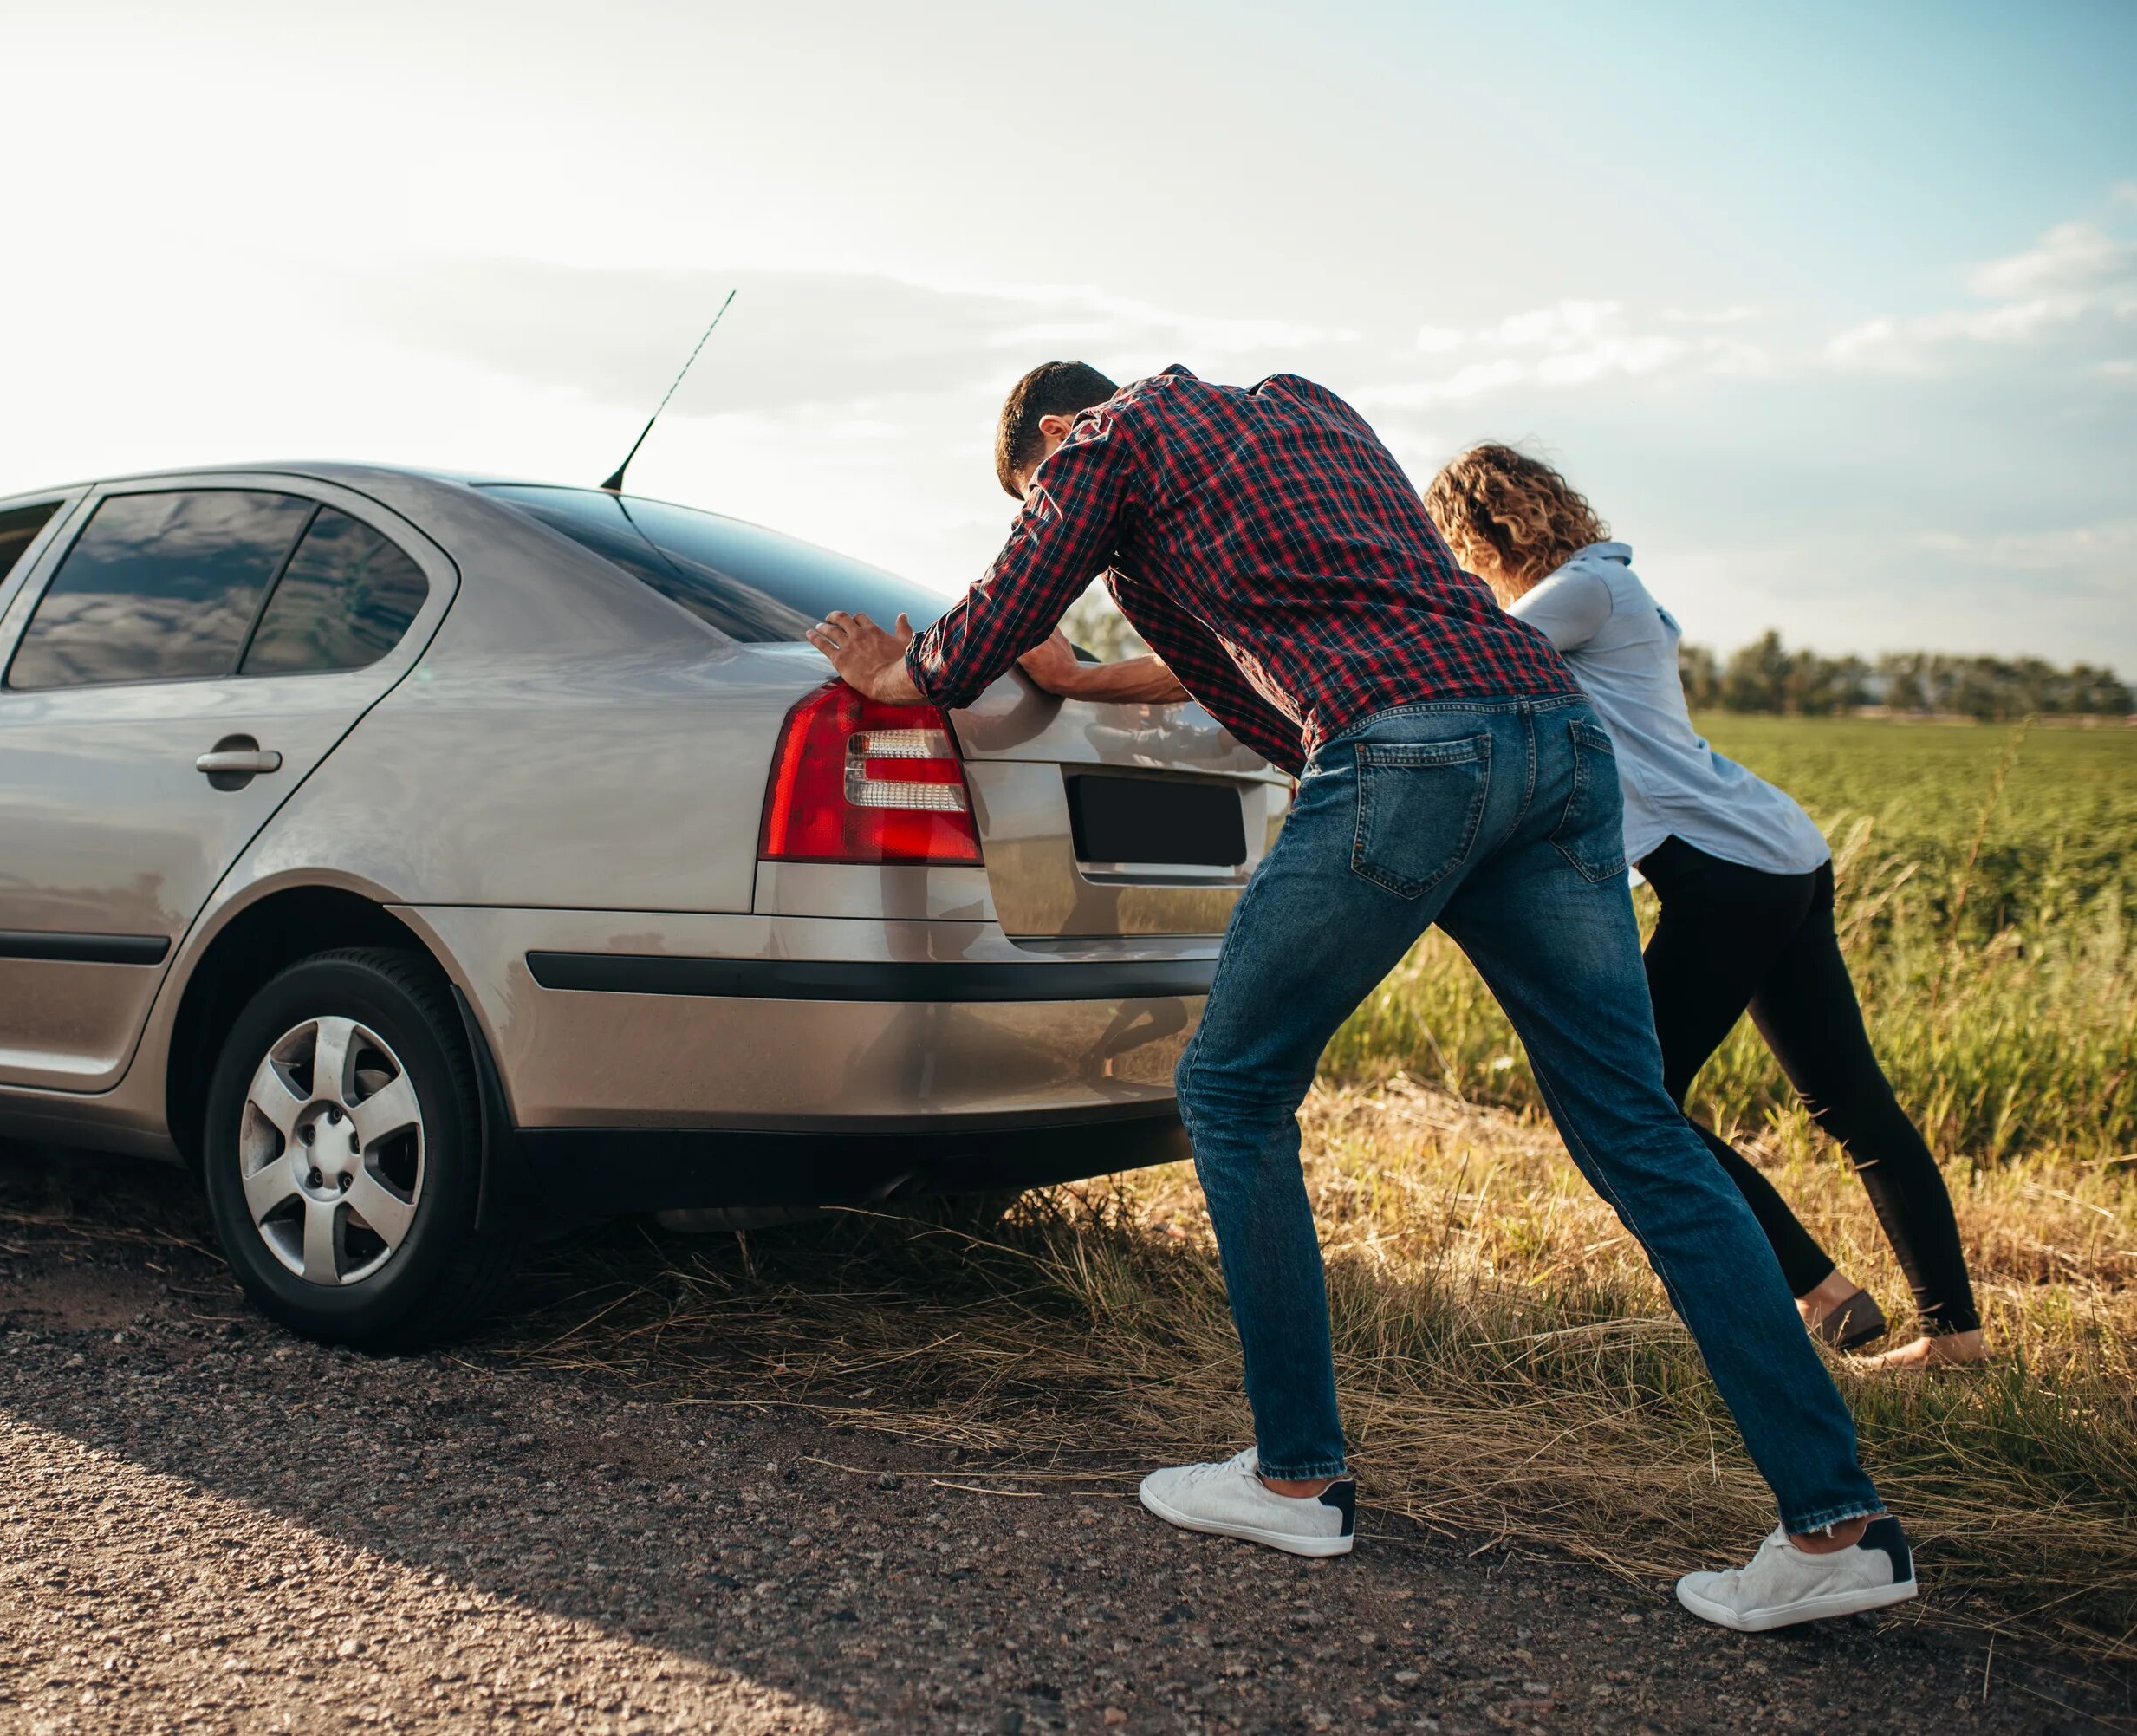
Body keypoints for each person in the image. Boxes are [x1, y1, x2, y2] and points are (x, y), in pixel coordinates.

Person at [806, 361, 1914, 1634]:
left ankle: (1293, 1470)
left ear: (1055, 432)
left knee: (1229, 1085)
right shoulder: (1307, 403)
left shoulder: (1106, 437)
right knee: (1638, 1128)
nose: (1056, 494)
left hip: (1407, 742)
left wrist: (914, 675)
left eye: (1038, 478)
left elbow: (1005, 607)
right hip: (1555, 736)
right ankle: (1836, 1523)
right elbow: (1265, 660)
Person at [1420, 443, 1987, 1371]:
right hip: (1771, 855)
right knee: (1848, 1102)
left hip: (1727, 870)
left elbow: (1470, 660)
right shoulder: (1600, 584)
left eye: (1456, 545)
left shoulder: (1581, 591)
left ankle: (1824, 1294)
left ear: (1482, 530)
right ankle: (1946, 1331)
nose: (1460, 565)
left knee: (1627, 1096)